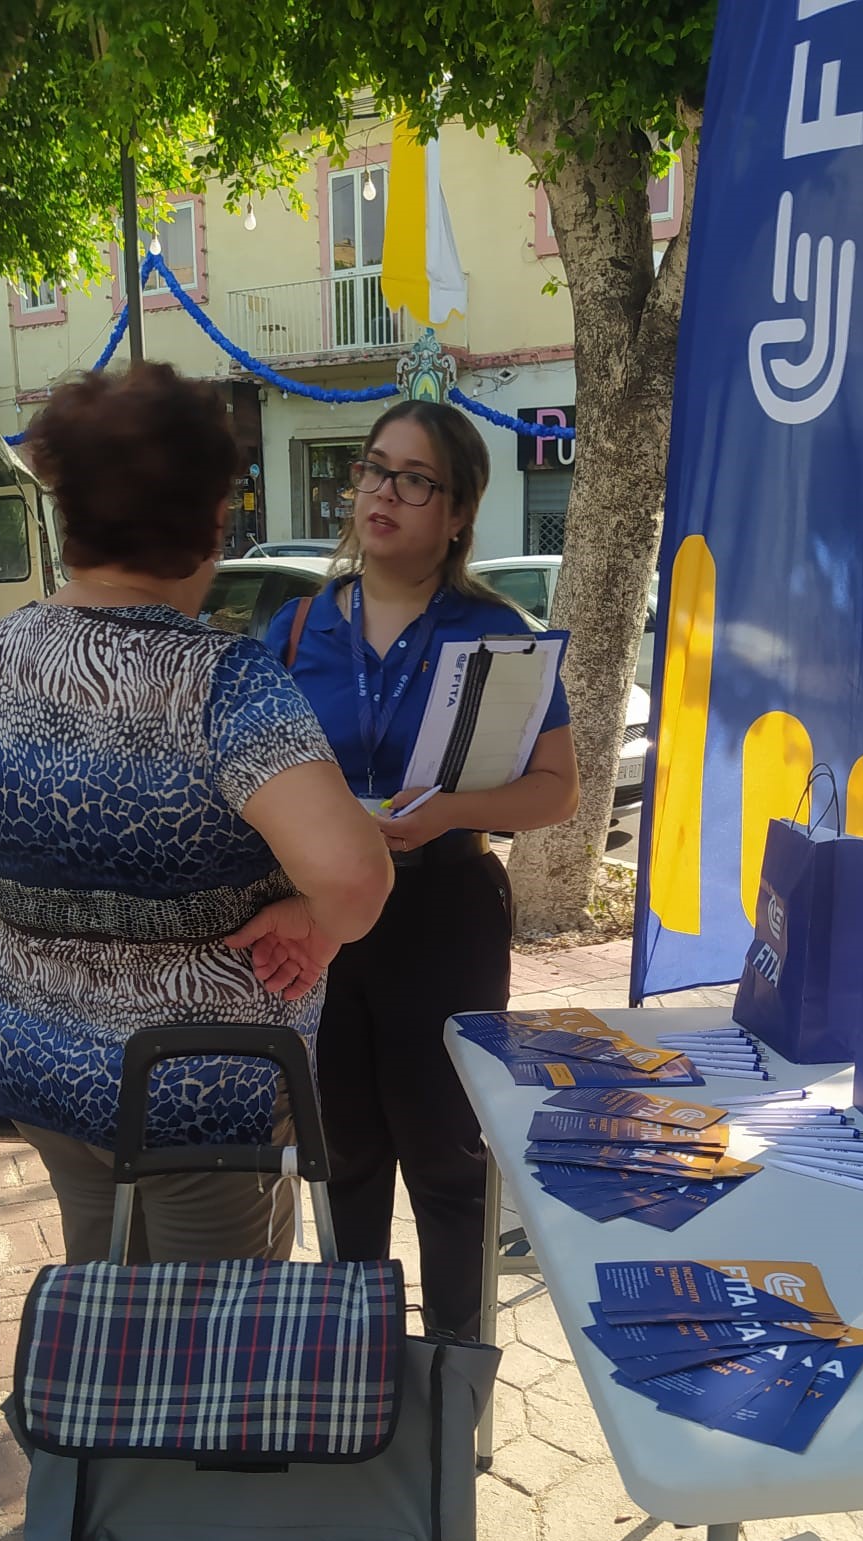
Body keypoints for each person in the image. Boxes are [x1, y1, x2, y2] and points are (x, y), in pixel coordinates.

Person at [0, 365, 393, 1264]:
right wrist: (312, 922)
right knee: (214, 1349)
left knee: (109, 1303)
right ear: (211, 524)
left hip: (46, 1060)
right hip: (201, 1086)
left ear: (70, 515)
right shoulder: (222, 683)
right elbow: (352, 875)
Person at [263, 401, 579, 1338]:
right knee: (347, 1152)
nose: (381, 493)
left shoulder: (497, 635)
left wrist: (455, 809)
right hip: (324, 918)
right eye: (371, 470)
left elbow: (556, 789)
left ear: (456, 514)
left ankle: (454, 1386)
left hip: (444, 913)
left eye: (413, 478)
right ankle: (358, 1369)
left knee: (446, 1156)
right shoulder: (291, 630)